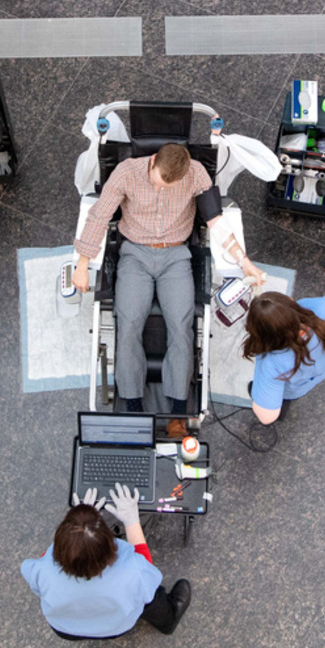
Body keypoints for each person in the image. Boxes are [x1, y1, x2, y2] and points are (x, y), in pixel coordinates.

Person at [73, 143, 264, 436]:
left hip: (176, 256)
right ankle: (132, 403)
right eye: (159, 182)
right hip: (135, 254)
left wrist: (244, 261)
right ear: (152, 162)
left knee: (181, 327)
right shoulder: (127, 172)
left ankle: (178, 411)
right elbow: (99, 215)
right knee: (129, 325)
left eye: (169, 185)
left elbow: (216, 222)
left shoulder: (196, 173)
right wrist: (83, 262)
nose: (162, 189)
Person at [21, 483, 192, 640]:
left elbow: (39, 584)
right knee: (149, 594)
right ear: (110, 546)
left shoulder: (41, 568)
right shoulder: (133, 572)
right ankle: (168, 620)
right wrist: (131, 520)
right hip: (117, 626)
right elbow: (146, 567)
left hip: (67, 629)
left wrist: (77, 522)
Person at [243, 292, 325, 425]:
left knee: (277, 397)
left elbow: (267, 417)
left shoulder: (272, 363)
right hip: (321, 373)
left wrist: (257, 392)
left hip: (292, 390)